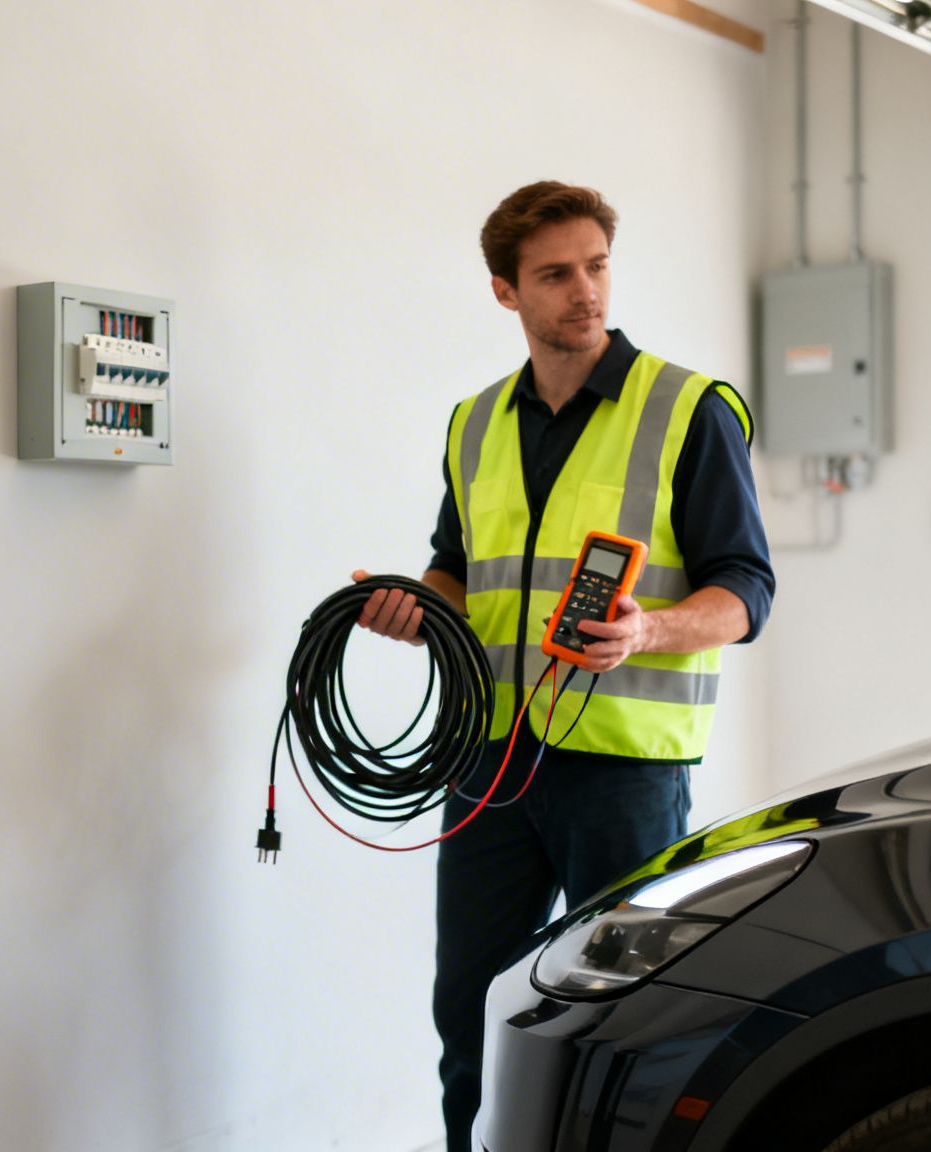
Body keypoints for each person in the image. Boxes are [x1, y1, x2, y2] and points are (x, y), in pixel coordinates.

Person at [351, 180, 774, 1149]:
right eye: (554, 275)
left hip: (620, 772)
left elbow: (744, 588)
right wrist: (414, 610)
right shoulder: (472, 423)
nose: (583, 292)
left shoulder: (686, 408)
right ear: (505, 293)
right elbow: (456, 570)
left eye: (595, 265)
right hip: (488, 763)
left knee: (624, 1022)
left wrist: (647, 631)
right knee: (470, 1013)